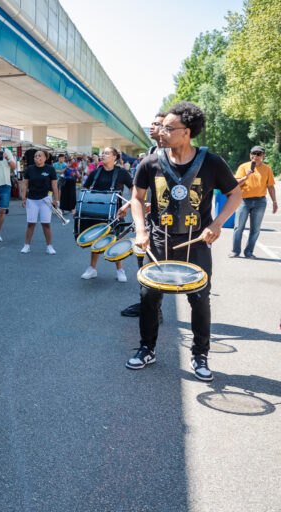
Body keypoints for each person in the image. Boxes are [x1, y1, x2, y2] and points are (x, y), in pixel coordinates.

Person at [126, 101, 242, 382]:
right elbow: (137, 198)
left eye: (168, 128)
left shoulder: (211, 162)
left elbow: (236, 194)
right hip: (158, 240)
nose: (161, 131)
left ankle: (200, 355)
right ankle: (147, 349)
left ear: (186, 132)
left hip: (196, 243)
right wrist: (141, 231)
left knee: (200, 299)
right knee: (149, 298)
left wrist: (216, 225)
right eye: (162, 126)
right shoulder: (151, 161)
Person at [121, 113, 166, 317]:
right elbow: (141, 190)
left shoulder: (173, 152)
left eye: (157, 124)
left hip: (169, 220)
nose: (152, 126)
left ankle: (154, 308)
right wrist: (131, 204)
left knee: (157, 264)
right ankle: (147, 305)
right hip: (151, 216)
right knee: (144, 260)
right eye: (152, 123)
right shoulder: (151, 151)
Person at [79, 147, 133, 281]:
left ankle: (120, 270)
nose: (103, 155)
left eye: (107, 153)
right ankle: (92, 269)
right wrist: (78, 207)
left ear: (115, 157)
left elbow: (135, 189)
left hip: (115, 212)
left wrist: (129, 204)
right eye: (103, 153)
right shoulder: (95, 173)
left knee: (115, 239)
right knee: (96, 238)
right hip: (95, 211)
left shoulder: (122, 173)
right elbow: (85, 189)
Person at [230, 146, 277, 258]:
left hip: (260, 202)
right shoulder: (243, 167)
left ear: (263, 156)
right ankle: (235, 251)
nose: (255, 156)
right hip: (243, 201)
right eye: (253, 153)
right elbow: (236, 184)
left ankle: (249, 252)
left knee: (255, 229)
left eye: (258, 154)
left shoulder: (267, 169)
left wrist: (274, 202)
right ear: (250, 155)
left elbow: (271, 186)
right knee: (238, 227)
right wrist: (246, 176)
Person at [19, 150, 59, 254]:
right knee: (30, 223)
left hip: (46, 199)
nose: (37, 157)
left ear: (45, 158)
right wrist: (23, 198)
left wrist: (56, 200)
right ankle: (26, 245)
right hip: (32, 199)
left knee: (46, 224)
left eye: (40, 156)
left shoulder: (50, 169)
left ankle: (49, 246)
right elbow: (25, 184)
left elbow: (54, 185)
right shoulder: (30, 169)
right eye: (36, 156)